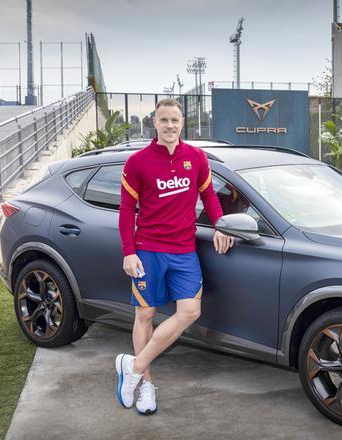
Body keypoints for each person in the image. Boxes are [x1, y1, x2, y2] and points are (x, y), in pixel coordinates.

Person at [116, 98, 234, 415]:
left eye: (175, 120)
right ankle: (146, 387)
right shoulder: (138, 162)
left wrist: (221, 225)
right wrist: (129, 252)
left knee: (189, 312)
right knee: (145, 315)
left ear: (183, 122)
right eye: (164, 120)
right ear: (154, 122)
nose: (170, 125)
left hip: (184, 249)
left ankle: (134, 367)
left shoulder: (195, 157)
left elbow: (209, 195)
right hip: (149, 249)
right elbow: (127, 211)